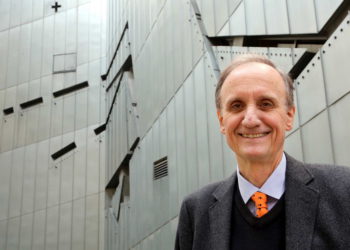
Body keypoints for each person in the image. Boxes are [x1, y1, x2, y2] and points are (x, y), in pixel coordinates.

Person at [175, 54, 350, 250]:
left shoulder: (344, 191)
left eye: (265, 104)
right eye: (237, 105)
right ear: (221, 121)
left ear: (289, 116)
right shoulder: (195, 212)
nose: (250, 119)